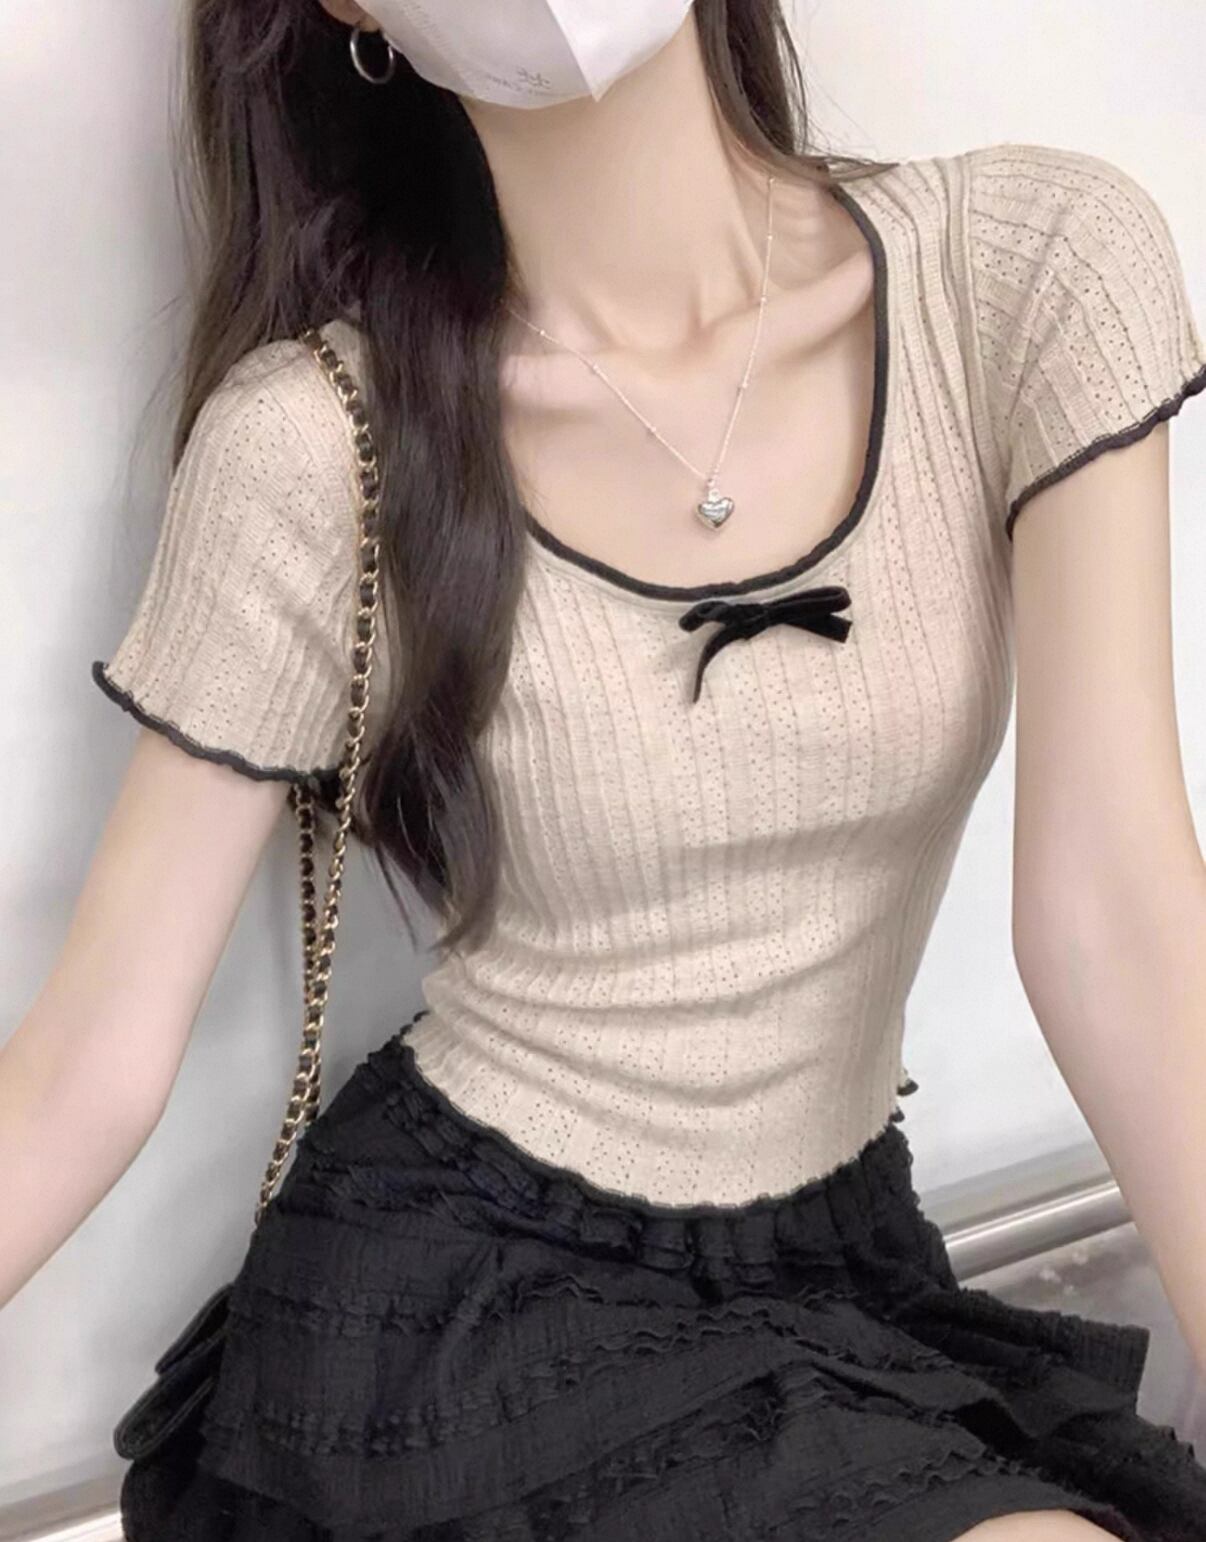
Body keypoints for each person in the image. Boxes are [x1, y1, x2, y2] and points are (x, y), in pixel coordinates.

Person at [4, 0, 1206, 1537]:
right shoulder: (317, 443)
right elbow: (85, 1066)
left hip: (841, 1265)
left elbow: (1119, 919)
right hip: (471, 1310)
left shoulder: (1025, 269)